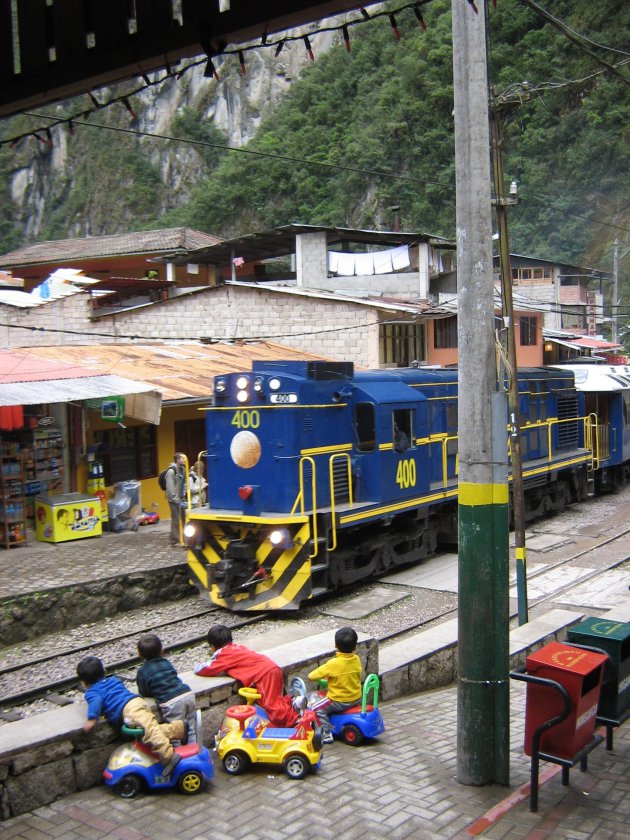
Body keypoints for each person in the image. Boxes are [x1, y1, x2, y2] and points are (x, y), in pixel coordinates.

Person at [76, 655, 186, 776]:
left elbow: (96, 703)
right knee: (146, 732)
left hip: (129, 710)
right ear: (104, 671)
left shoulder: (92, 692)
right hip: (135, 703)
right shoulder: (113, 680)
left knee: (150, 730)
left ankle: (169, 755)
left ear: (84, 683)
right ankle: (179, 729)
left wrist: (92, 718)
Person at [194, 624, 302, 728]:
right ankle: (292, 704)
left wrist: (196, 666)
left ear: (212, 647)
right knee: (276, 700)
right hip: (272, 669)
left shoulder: (224, 654)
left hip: (265, 675)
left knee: (271, 705)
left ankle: (295, 721)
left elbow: (206, 669)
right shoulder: (237, 648)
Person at [136, 634, 197, 744]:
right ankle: (194, 751)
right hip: (187, 694)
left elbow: (144, 691)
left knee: (175, 732)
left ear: (140, 654)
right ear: (161, 650)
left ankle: (180, 757)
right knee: (191, 728)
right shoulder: (166, 662)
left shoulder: (142, 671)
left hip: (171, 702)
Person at [308, 627, 362, 743]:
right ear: (355, 645)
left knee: (315, 708)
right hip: (356, 697)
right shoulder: (356, 659)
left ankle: (326, 733)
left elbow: (311, 676)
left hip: (339, 700)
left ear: (336, 645)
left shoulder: (333, 664)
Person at [165, 452, 186, 547]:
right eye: (182, 458)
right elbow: (170, 487)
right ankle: (178, 540)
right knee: (176, 519)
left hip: (181, 497)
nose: (184, 460)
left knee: (182, 518)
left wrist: (184, 494)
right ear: (177, 460)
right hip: (173, 499)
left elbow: (184, 483)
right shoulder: (171, 471)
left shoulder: (183, 470)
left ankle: (173, 538)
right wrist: (175, 499)